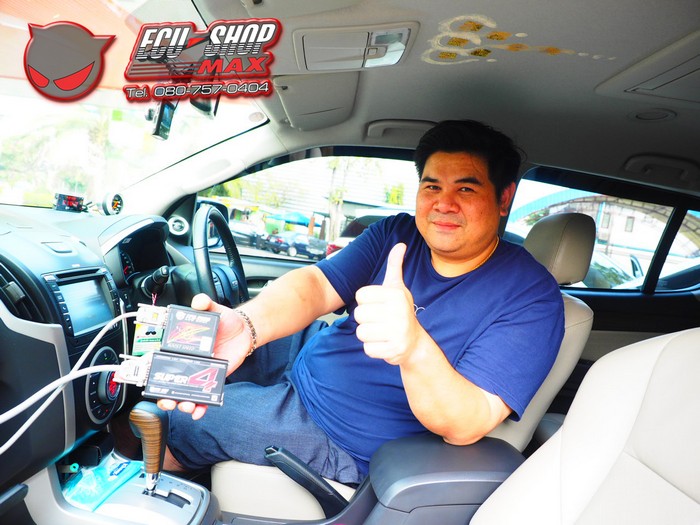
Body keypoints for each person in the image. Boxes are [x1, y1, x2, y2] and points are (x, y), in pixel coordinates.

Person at [160, 120, 565, 485]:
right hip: (308, 357)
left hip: (341, 433)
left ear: (503, 198)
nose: (444, 203)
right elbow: (317, 285)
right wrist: (247, 324)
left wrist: (414, 348)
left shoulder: (531, 298)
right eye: (432, 186)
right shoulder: (399, 233)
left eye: (466, 188)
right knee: (182, 351)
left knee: (180, 418)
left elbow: (469, 421)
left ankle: (139, 478)